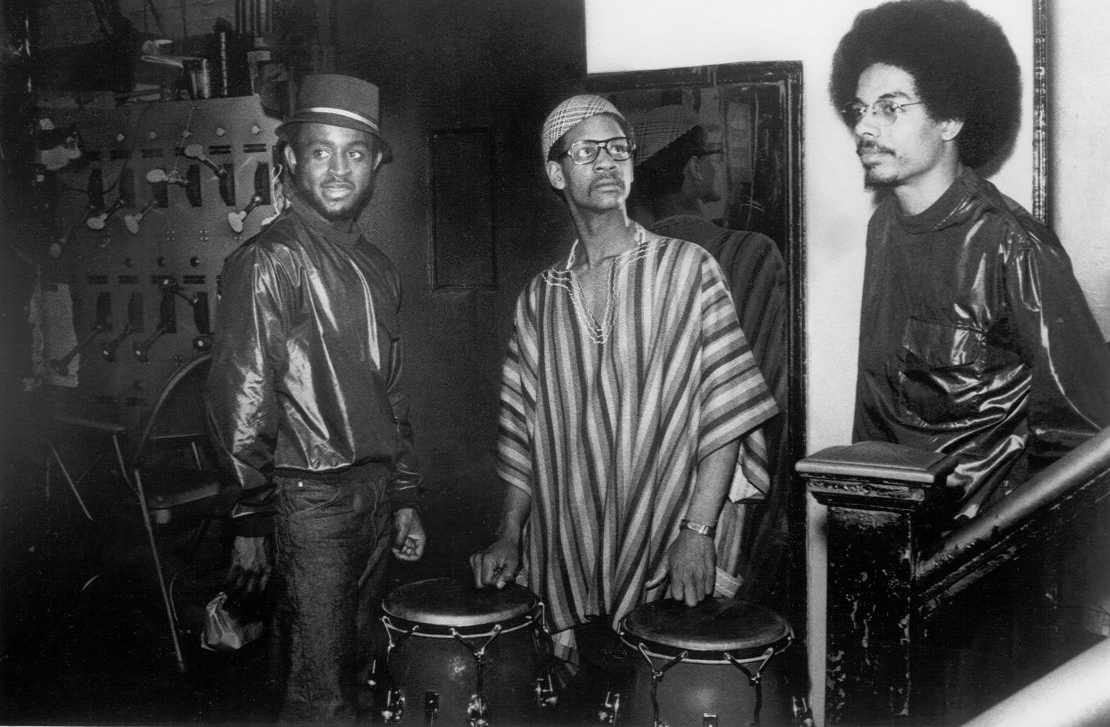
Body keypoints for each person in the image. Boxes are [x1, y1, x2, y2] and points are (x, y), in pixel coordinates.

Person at [469, 94, 779, 706]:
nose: (608, 162)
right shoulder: (540, 298)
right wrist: (508, 533)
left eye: (619, 149)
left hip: (671, 541)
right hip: (572, 546)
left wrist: (698, 529)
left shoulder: (688, 268)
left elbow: (726, 410)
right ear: (558, 173)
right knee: (588, 703)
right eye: (589, 151)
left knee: (660, 701)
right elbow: (523, 433)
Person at [830, 0, 1110, 520]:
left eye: (890, 108)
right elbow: (878, 404)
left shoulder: (1011, 243)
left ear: (951, 120)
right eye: (860, 110)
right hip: (891, 530)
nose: (865, 128)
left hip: (983, 551)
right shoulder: (884, 227)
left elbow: (1084, 435)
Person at [207, 73, 426, 722]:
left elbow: (391, 391)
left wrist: (405, 494)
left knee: (356, 668)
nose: (338, 167)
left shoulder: (379, 267)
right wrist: (249, 518)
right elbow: (241, 392)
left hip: (374, 496)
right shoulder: (270, 260)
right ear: (294, 159)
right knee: (318, 690)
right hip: (309, 506)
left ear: (375, 168)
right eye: (322, 150)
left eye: (355, 153)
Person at [627, 104, 793, 604]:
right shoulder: (750, 253)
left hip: (631, 487)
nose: (719, 166)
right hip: (717, 492)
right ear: (693, 168)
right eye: (714, 155)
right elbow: (770, 391)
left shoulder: (619, 263)